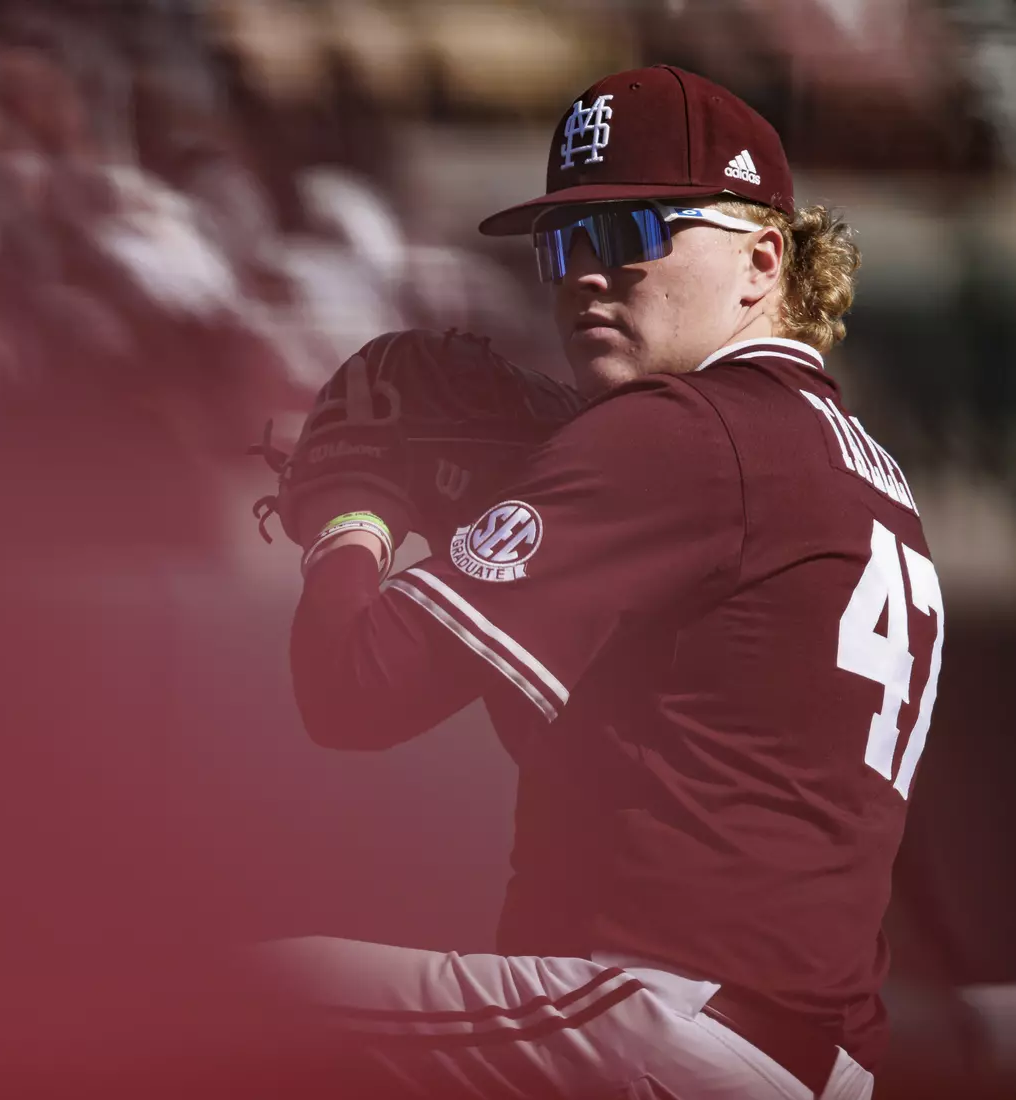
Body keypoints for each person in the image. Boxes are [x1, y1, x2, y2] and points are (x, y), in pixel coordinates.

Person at [264, 65, 937, 1100]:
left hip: (656, 1018)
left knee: (217, 996)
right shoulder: (866, 470)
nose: (585, 274)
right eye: (564, 243)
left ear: (762, 259)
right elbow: (638, 751)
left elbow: (354, 687)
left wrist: (353, 514)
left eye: (630, 234)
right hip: (804, 1058)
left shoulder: (682, 432)